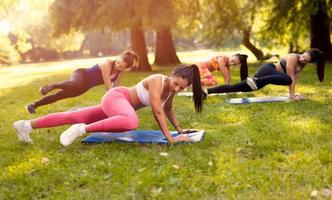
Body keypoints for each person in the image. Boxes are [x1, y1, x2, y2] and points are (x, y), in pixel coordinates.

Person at [14, 64, 206, 146]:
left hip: (119, 108)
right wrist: (170, 140)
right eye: (176, 83)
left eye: (181, 88)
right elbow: (157, 111)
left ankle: (25, 126)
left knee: (71, 116)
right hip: (116, 98)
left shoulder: (170, 89)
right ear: (173, 74)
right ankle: (82, 130)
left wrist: (179, 130)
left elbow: (167, 109)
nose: (177, 88)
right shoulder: (158, 79)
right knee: (131, 121)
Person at [26, 51, 139, 114]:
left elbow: (115, 88)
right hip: (81, 74)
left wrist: (119, 100)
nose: (118, 66)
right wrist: (113, 101)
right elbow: (109, 86)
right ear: (119, 57)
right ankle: (51, 85)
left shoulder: (119, 73)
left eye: (121, 67)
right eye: (119, 62)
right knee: (75, 84)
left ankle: (33, 105)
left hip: (84, 87)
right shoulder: (107, 64)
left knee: (58, 96)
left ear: (125, 68)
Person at [205, 49, 325, 100]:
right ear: (304, 52)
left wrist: (294, 93)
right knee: (288, 79)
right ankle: (255, 81)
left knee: (235, 87)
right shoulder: (293, 57)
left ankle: (206, 92)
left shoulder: (300, 65)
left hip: (265, 78)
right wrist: (292, 96)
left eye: (306, 60)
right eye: (304, 56)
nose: (303, 59)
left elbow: (295, 80)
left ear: (309, 62)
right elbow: (291, 78)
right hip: (267, 70)